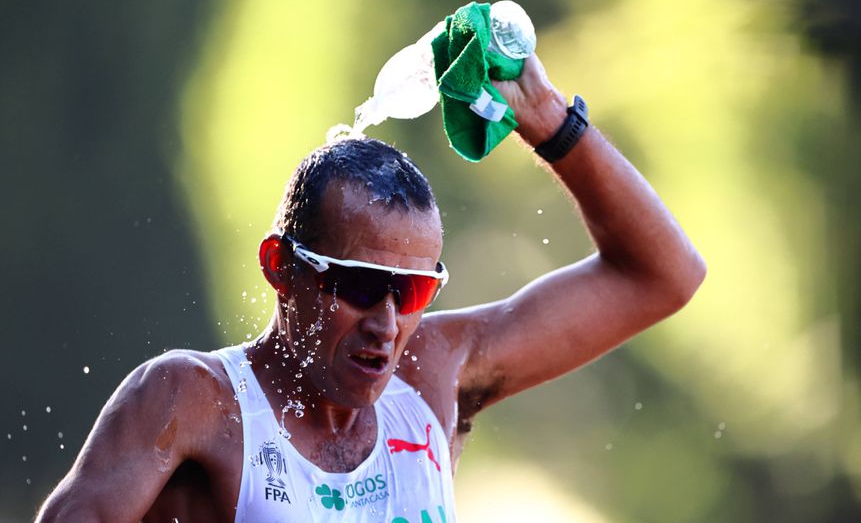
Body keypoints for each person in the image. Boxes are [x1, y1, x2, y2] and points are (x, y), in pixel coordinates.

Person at [36, 55, 705, 522]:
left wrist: (551, 122)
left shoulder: (433, 375)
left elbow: (665, 276)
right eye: (359, 286)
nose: (386, 325)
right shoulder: (192, 400)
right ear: (280, 267)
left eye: (411, 293)